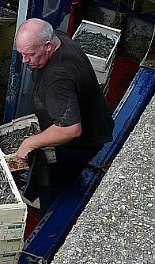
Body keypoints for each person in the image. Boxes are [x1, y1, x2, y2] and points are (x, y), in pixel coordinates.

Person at [14, 18, 114, 210]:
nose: (25, 61)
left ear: (48, 46)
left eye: (30, 55)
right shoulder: (60, 39)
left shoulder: (56, 79)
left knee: (53, 183)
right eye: (21, 54)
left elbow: (71, 129)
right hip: (99, 119)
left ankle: (50, 222)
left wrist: (29, 143)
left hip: (82, 142)